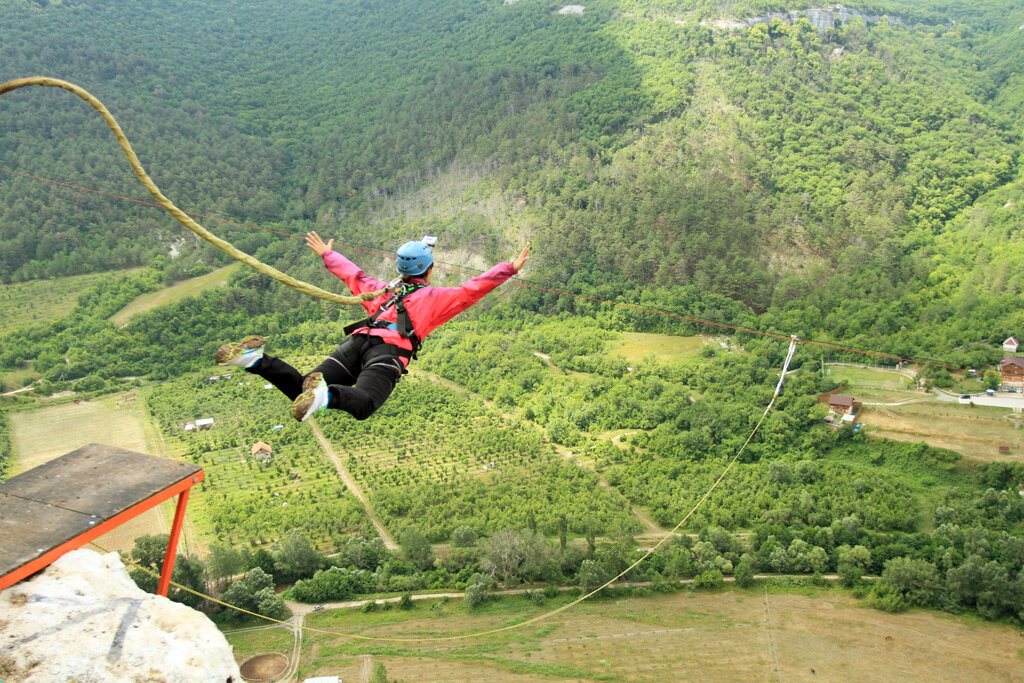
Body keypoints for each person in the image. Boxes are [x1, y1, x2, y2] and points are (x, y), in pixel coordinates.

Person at [216, 232, 530, 422]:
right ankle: (327, 397)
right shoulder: (435, 298)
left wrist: (328, 254)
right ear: (429, 270)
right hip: (387, 351)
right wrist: (509, 269)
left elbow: (353, 275)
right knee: (363, 404)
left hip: (356, 342)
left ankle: (254, 360)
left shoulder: (382, 290)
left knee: (302, 388)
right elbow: (470, 290)